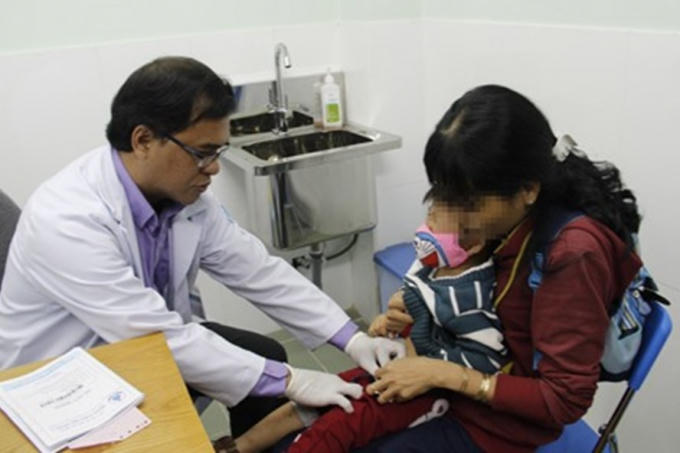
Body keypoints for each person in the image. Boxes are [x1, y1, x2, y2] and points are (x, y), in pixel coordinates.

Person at [0, 56, 405, 439]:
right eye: (202, 153)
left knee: (261, 354)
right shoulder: (67, 219)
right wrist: (290, 380)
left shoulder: (185, 199)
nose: (213, 167)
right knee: (209, 410)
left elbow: (256, 270)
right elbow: (152, 334)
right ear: (143, 140)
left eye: (218, 152)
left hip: (146, 345)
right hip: (62, 382)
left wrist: (352, 339)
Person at [350, 84, 643, 452]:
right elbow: (485, 304)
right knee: (337, 419)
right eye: (445, 196)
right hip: (459, 374)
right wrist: (423, 308)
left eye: (468, 204)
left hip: (503, 423)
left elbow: (564, 400)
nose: (455, 220)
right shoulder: (508, 218)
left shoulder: (572, 254)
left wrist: (445, 374)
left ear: (528, 189)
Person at [229, 202, 508, 453]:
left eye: (435, 225)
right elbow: (416, 314)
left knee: (338, 424)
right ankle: (235, 448)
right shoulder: (431, 266)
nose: (424, 230)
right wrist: (391, 322)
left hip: (419, 385)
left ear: (473, 243)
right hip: (394, 364)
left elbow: (483, 360)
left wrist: (428, 365)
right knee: (303, 406)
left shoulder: (470, 299)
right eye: (428, 217)